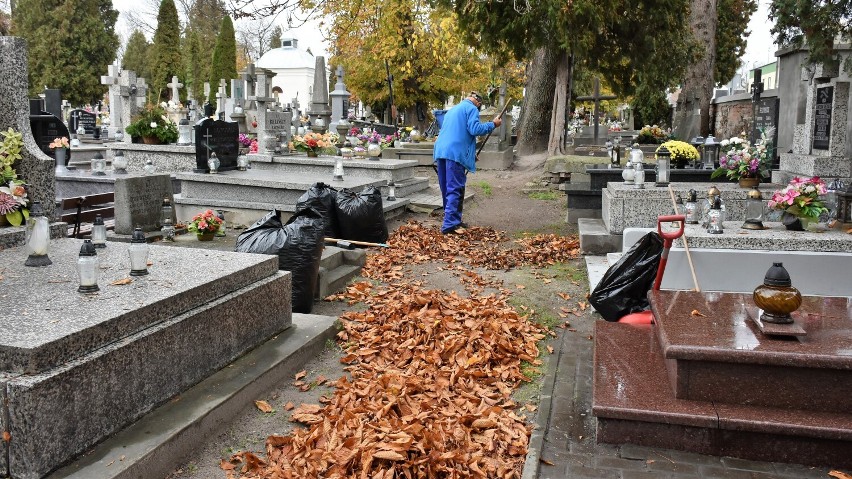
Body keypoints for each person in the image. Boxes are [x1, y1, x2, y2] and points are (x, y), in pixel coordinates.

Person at [433, 91, 502, 234]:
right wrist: (493, 124)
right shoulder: (471, 108)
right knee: (455, 188)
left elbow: (459, 133)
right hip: (455, 153)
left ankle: (454, 220)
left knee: (446, 188)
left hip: (441, 151)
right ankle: (449, 225)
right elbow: (475, 129)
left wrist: (470, 155)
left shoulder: (452, 110)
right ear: (478, 103)